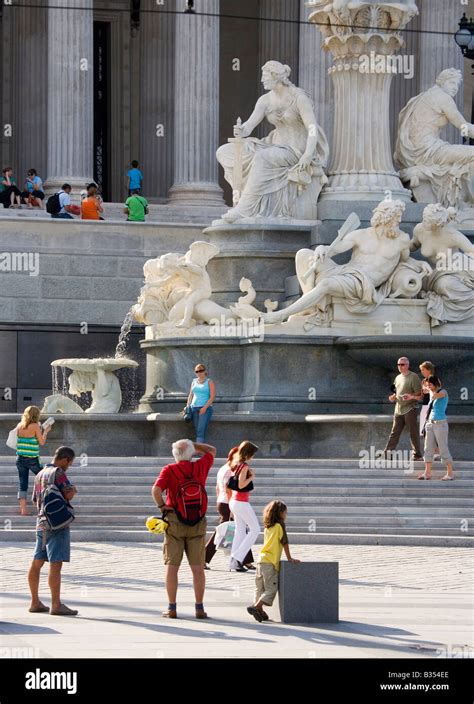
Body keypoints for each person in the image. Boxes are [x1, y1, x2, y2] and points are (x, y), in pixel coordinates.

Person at [151, 439, 216, 619]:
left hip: (175, 522)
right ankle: (199, 608)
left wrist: (162, 506)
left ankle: (172, 608)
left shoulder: (169, 470)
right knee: (197, 568)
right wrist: (195, 445)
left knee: (172, 567)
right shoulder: (200, 466)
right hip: (197, 523)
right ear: (192, 453)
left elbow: (155, 490)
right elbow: (212, 450)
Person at [28, 446, 78, 616]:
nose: (69, 466)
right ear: (65, 459)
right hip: (57, 524)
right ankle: (56, 605)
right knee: (56, 564)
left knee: (37, 562)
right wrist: (74, 491)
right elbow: (68, 494)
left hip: (41, 522)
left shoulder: (40, 473)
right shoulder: (58, 473)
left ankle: (35, 602)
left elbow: (35, 499)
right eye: (69, 463)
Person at [247, 500, 300, 622]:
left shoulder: (267, 527)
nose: (286, 515)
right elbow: (284, 542)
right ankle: (257, 607)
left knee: (259, 588)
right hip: (270, 562)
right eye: (285, 512)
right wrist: (289, 558)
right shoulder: (280, 525)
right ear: (280, 513)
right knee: (271, 588)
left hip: (261, 560)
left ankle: (259, 611)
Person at [204, 446, 254, 569]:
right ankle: (203, 558)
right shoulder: (230, 471)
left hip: (223, 502)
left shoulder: (223, 469)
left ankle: (244, 560)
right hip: (228, 503)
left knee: (239, 530)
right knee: (222, 532)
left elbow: (217, 488)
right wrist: (232, 506)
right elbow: (229, 489)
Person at [228, 440, 260, 572]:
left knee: (240, 531)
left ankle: (233, 562)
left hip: (235, 502)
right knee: (255, 529)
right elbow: (241, 485)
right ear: (248, 453)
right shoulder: (244, 466)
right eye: (252, 453)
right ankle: (237, 557)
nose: (253, 456)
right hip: (241, 502)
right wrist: (251, 477)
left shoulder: (236, 464)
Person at [383, 357, 423, 461]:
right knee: (394, 432)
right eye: (398, 365)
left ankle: (417, 454)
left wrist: (411, 396)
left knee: (413, 432)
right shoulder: (397, 377)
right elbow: (397, 392)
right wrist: (393, 397)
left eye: (402, 364)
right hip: (398, 409)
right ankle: (387, 454)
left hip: (410, 408)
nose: (400, 367)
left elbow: (420, 395)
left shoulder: (413, 377)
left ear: (408, 365)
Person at [15, 406, 52, 516]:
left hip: (20, 458)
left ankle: (23, 510)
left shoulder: (19, 426)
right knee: (45, 480)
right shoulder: (35, 426)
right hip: (32, 459)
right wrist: (45, 431)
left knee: (23, 484)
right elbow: (41, 442)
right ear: (36, 415)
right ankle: (45, 505)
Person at [418, 376, 454, 481]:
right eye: (427, 385)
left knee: (443, 448)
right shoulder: (430, 392)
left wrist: (428, 390)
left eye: (430, 384)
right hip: (430, 424)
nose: (428, 386)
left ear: (435, 383)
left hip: (440, 424)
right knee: (428, 448)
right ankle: (427, 473)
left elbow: (435, 396)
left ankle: (450, 473)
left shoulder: (443, 392)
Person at [186, 363, 215, 443]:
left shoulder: (209, 382)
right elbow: (190, 395)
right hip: (194, 408)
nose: (199, 373)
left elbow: (212, 397)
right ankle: (200, 449)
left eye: (201, 370)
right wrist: (187, 407)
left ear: (205, 371)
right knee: (197, 430)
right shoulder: (194, 381)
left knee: (200, 430)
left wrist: (204, 408)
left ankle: (199, 450)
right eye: (197, 371)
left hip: (205, 408)